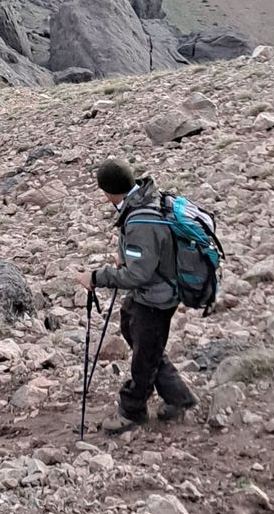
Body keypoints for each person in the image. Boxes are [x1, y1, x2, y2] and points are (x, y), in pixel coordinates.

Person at [75, 158, 198, 434]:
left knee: (144, 354)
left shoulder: (140, 219)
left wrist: (96, 277)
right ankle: (178, 397)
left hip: (156, 297)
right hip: (153, 291)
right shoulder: (142, 201)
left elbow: (138, 275)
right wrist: (127, 258)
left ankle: (132, 411)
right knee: (134, 331)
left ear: (108, 192)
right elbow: (144, 257)